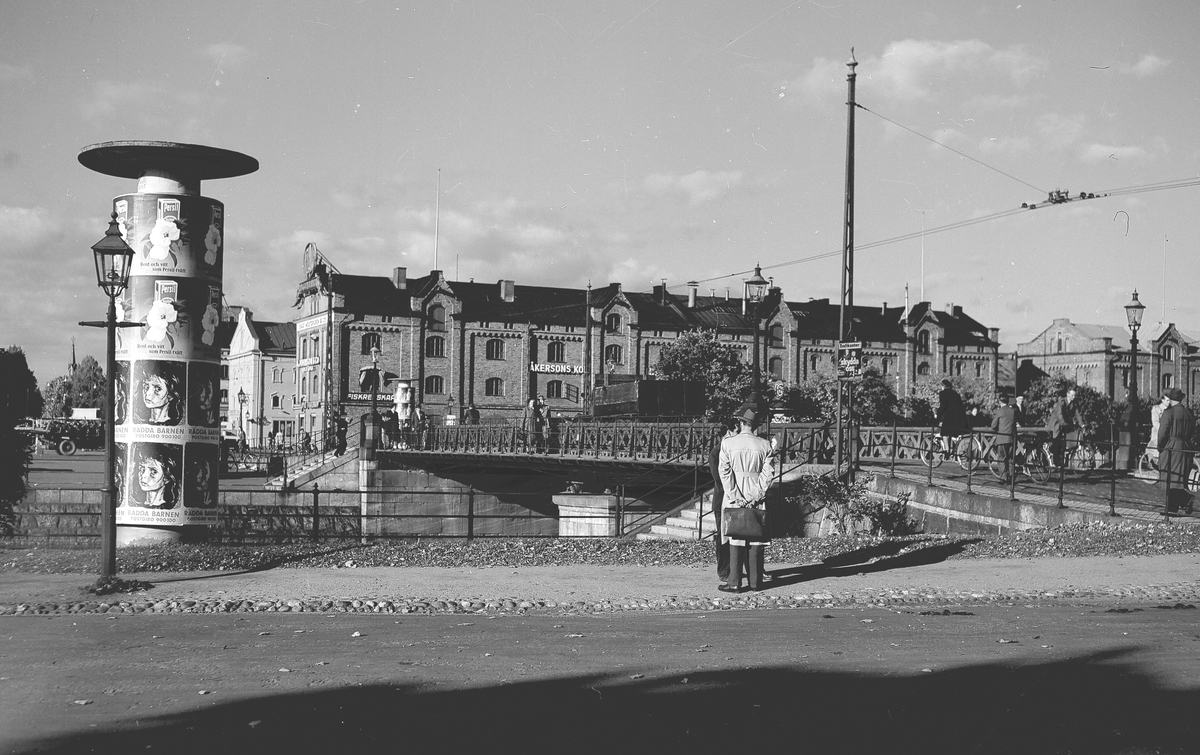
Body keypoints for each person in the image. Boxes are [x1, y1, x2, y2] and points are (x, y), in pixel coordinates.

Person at [718, 406, 776, 593]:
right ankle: (756, 582)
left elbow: (724, 472)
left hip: (735, 493)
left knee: (735, 535)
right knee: (756, 535)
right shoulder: (765, 445)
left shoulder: (728, 443)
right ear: (756, 425)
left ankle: (734, 582)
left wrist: (735, 496)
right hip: (755, 493)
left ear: (740, 423)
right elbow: (768, 474)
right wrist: (755, 496)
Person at [708, 418, 738, 587]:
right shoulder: (716, 452)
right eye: (736, 432)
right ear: (728, 433)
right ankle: (724, 570)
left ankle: (733, 568)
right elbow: (718, 478)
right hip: (722, 499)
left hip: (731, 496)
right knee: (723, 537)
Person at [1157, 388, 1195, 515]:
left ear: (1171, 399)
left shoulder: (1169, 413)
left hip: (1172, 447)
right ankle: (1174, 506)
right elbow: (1193, 432)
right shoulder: (1188, 413)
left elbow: (1162, 433)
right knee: (1178, 477)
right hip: (1186, 446)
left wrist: (1160, 446)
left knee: (1170, 476)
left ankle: (1184, 500)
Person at [989, 392, 1022, 483]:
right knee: (1011, 458)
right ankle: (1011, 477)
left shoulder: (1000, 411)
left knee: (1002, 458)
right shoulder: (1013, 411)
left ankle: (1004, 477)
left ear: (1000, 401)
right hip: (1012, 438)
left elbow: (993, 425)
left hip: (1002, 438)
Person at [1047, 388, 1084, 468]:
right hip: (1056, 423)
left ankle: (1063, 462)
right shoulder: (1062, 402)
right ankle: (1056, 462)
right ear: (1067, 394)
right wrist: (1063, 423)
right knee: (1057, 442)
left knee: (1065, 443)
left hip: (1065, 424)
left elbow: (1077, 414)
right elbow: (1059, 414)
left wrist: (1081, 424)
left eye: (1074, 395)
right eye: (1072, 395)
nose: (1073, 397)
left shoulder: (1073, 404)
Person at [936, 379, 968, 452]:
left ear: (943, 386)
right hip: (959, 417)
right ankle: (954, 450)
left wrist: (938, 416)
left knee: (944, 433)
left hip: (950, 417)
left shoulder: (943, 393)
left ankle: (947, 450)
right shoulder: (955, 393)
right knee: (953, 433)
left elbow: (943, 406)